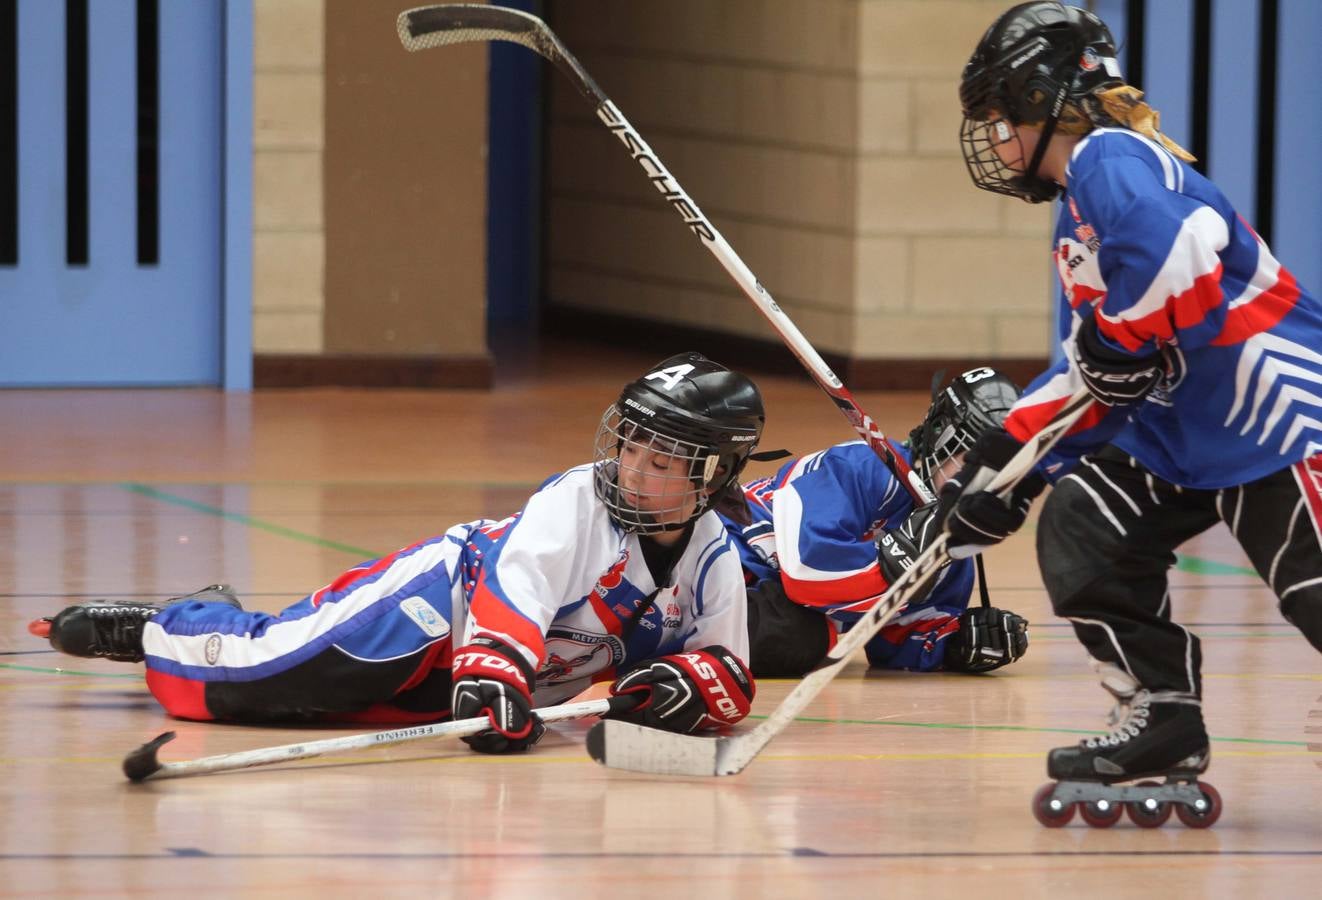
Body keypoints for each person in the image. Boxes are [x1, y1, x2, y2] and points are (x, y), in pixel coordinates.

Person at [944, 1, 1322, 823]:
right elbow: (1092, 365)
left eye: (1003, 118)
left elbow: (1184, 253)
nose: (999, 141)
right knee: (1084, 531)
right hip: (1180, 439)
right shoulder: (1080, 213)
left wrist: (1120, 340)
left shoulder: (1112, 157)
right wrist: (1006, 469)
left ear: (1044, 102)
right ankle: (1163, 719)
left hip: (1280, 421)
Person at [32, 352, 765, 753]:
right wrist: (493, 676)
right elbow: (515, 592)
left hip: (489, 673)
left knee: (322, 715)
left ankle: (215, 618)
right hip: (432, 608)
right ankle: (169, 627)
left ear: (712, 476)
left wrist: (679, 689)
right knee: (252, 687)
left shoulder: (710, 557)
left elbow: (728, 673)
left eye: (663, 460)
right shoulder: (575, 499)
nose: (634, 468)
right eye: (632, 443)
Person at [719, 367, 1030, 677]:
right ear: (940, 436)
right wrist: (892, 568)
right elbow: (806, 574)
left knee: (799, 636)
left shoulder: (950, 553)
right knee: (796, 636)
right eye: (975, 465)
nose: (987, 484)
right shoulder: (862, 467)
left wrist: (958, 642)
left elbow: (894, 641)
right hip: (712, 564)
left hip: (765, 605)